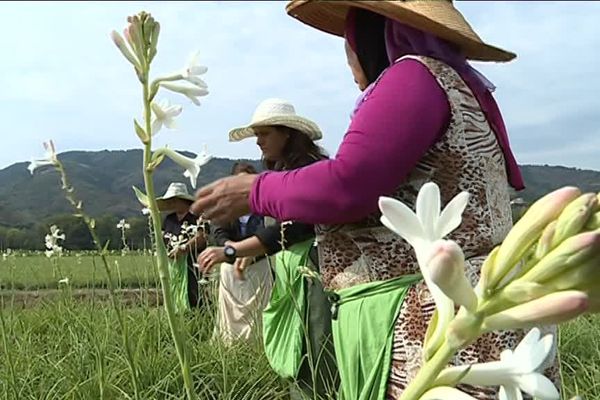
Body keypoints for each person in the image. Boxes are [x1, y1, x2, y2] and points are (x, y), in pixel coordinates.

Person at [191, 2, 559, 399]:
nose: (348, 56)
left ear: (374, 32)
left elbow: (349, 185)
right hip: (473, 304)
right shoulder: (455, 87)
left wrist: (255, 191)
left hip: (431, 321)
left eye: (348, 38)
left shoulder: (412, 75)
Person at [198, 99, 338, 398]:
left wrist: (234, 251)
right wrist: (249, 252)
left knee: (314, 345)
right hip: (289, 271)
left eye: (264, 134)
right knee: (297, 345)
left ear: (286, 133)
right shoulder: (281, 174)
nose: (258, 142)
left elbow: (294, 228)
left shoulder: (311, 171)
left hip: (314, 268)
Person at [203, 162, 272, 344]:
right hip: (231, 266)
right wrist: (231, 249)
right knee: (230, 314)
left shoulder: (265, 207)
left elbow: (269, 234)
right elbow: (218, 232)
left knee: (260, 311)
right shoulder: (224, 208)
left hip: (259, 266)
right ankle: (230, 344)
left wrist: (250, 251)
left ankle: (259, 344)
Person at [158, 182, 208, 311]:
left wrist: (184, 248)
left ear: (183, 201)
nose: (171, 204)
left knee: (194, 294)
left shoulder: (197, 218)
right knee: (174, 292)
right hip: (173, 263)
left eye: (174, 200)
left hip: (193, 263)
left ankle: (200, 321)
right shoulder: (169, 219)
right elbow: (163, 237)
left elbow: (201, 238)